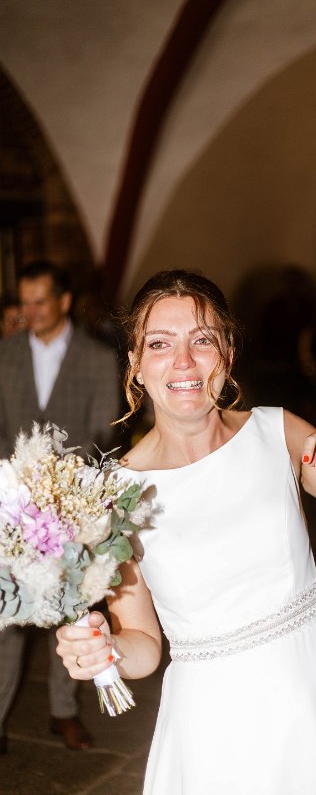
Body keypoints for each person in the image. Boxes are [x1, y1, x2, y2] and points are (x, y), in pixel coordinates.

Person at [55, 269, 316, 795]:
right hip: (214, 723)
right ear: (135, 364)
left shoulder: (278, 431)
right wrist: (106, 650)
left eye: (202, 340)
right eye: (160, 344)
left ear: (228, 354)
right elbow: (144, 645)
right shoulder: (116, 495)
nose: (183, 361)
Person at [0, 261, 121, 753]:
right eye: (24, 302)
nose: (29, 311)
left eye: (40, 301)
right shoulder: (5, 353)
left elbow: (103, 432)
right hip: (11, 505)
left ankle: (63, 711)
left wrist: (63, 491)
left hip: (71, 505)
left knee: (71, 609)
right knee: (7, 614)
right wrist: (15, 485)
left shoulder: (96, 358)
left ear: (64, 301)